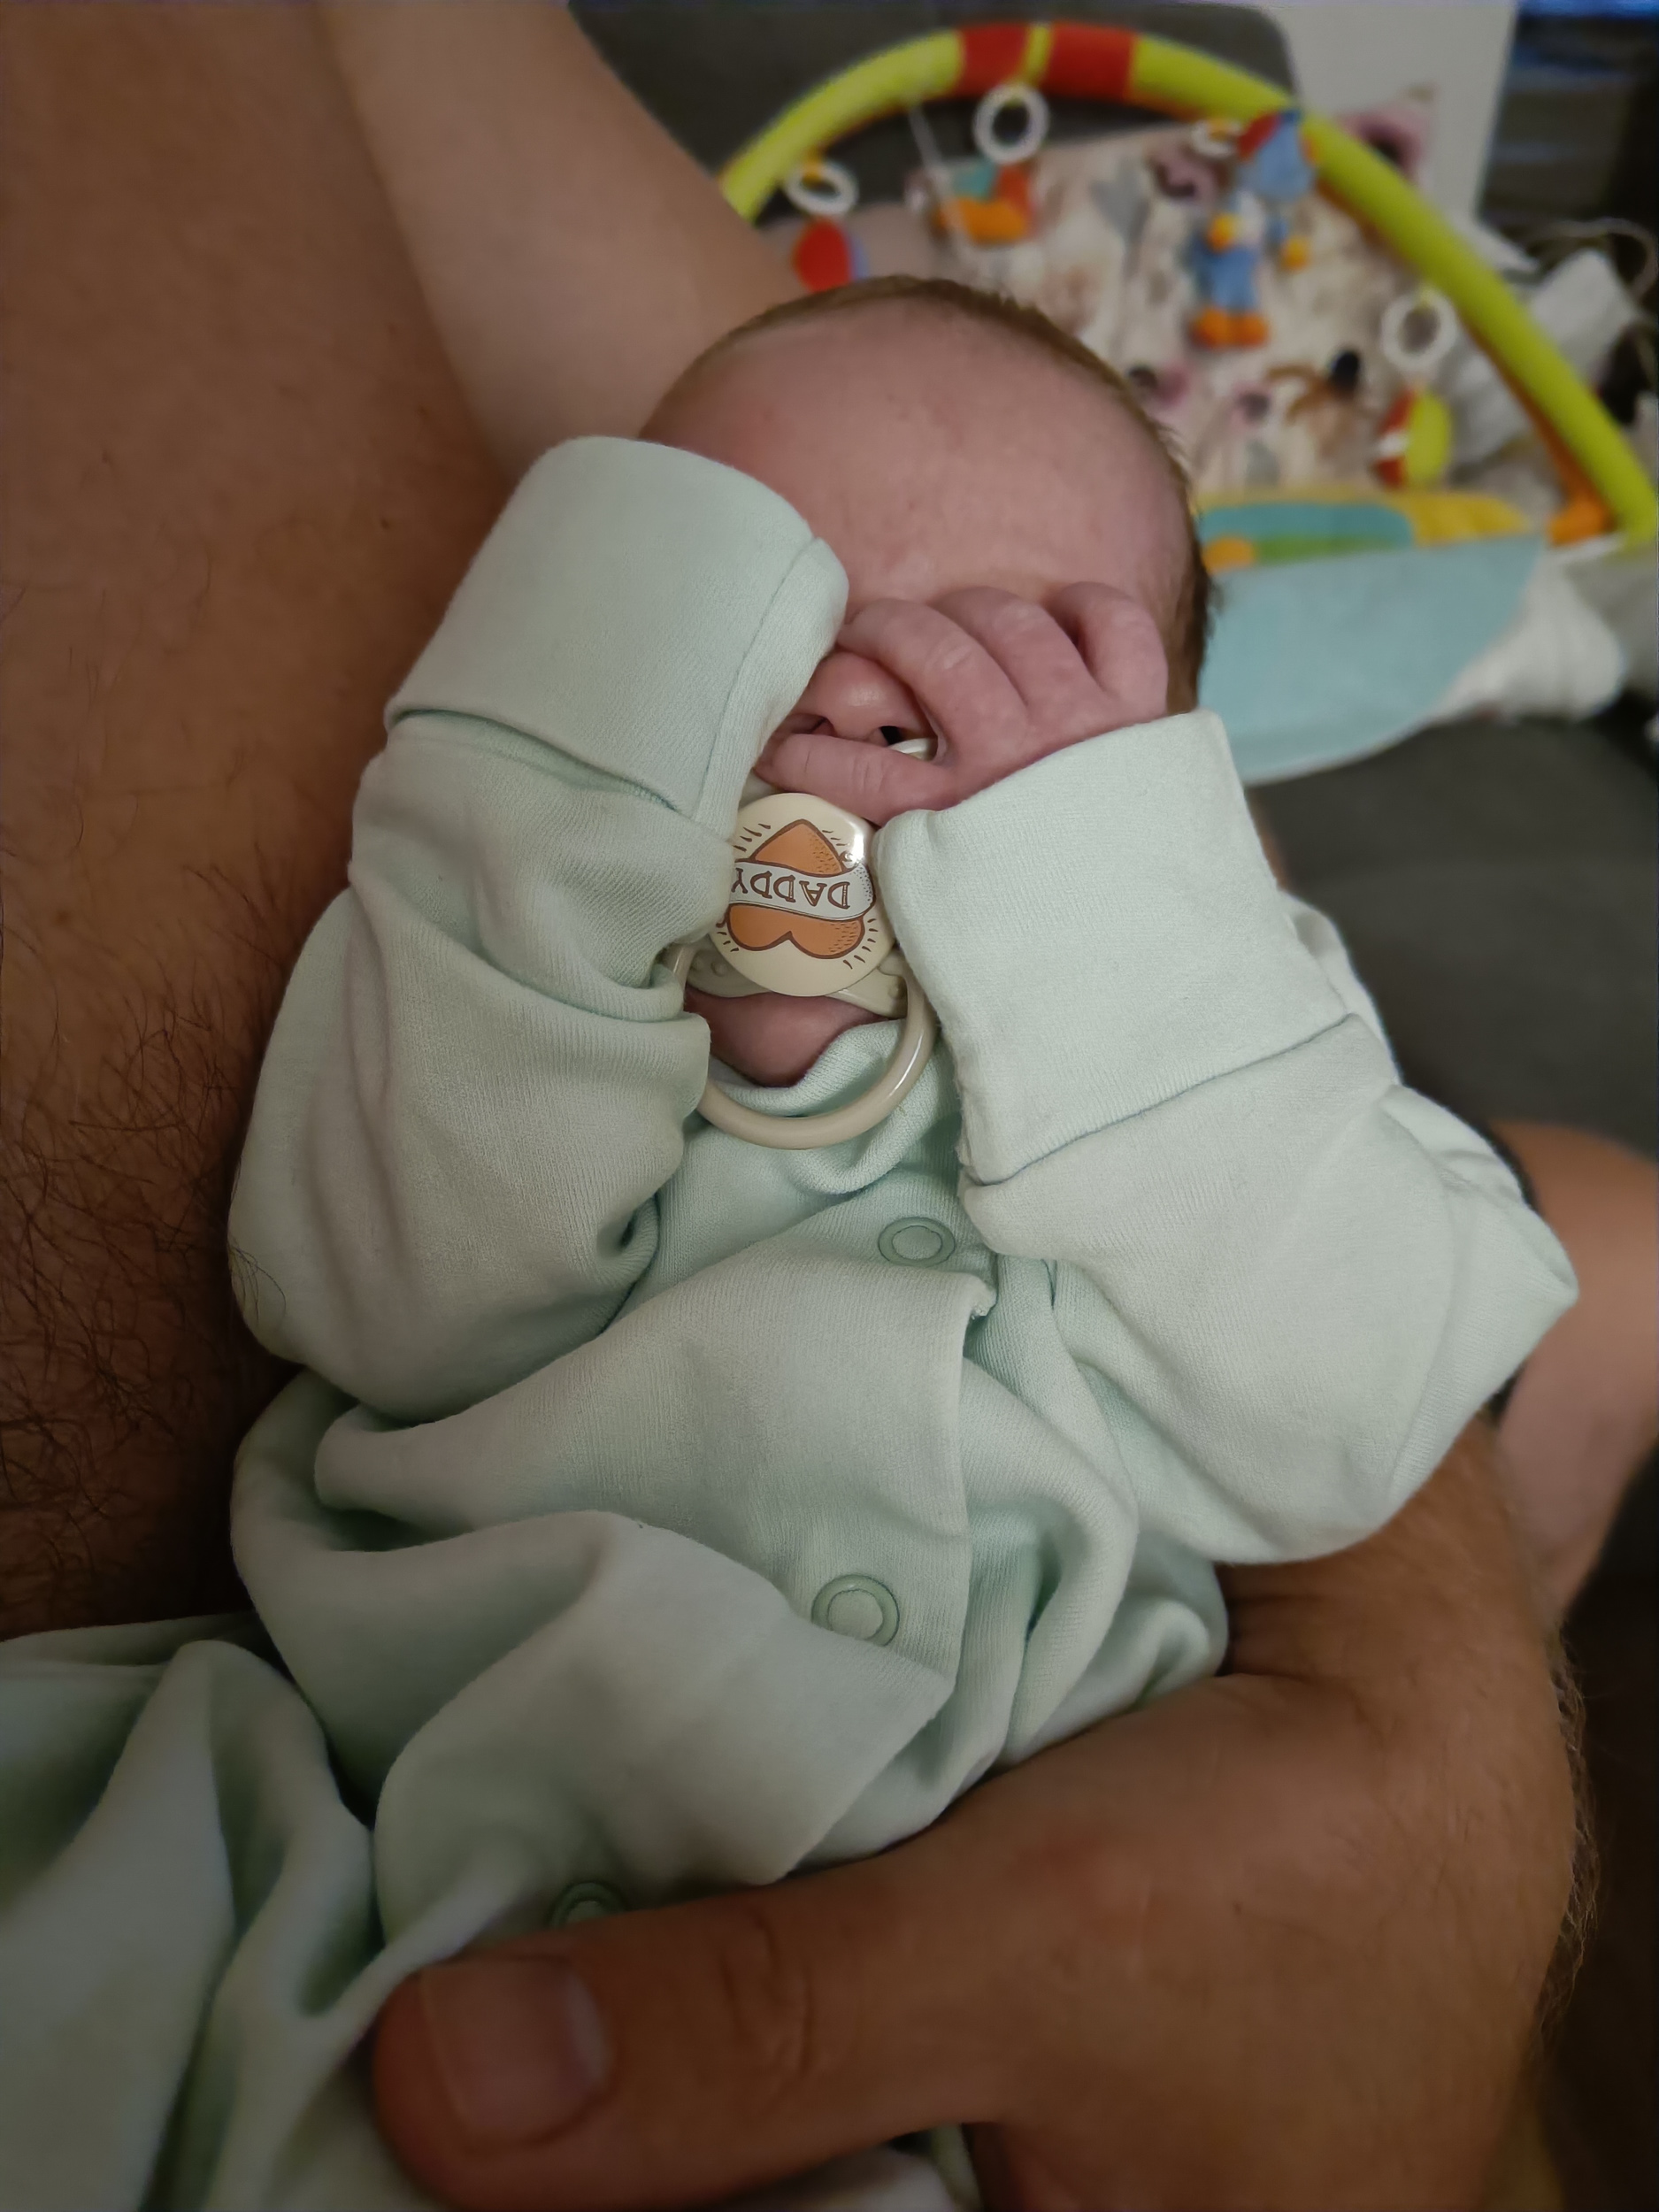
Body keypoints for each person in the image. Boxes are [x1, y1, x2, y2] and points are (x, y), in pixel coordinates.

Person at [0, 8, 1648, 2208]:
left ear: (1171, 800)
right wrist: (561, 821)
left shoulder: (1208, 1033)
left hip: (1020, 1890)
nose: (877, 689)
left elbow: (1346, 1406)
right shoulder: (515, 973)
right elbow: (383, 1299)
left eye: (1029, 652)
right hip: (422, 1844)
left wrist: (1112, 922)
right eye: (753, 624)